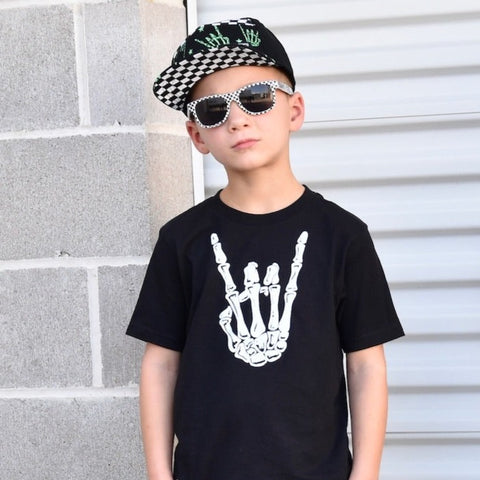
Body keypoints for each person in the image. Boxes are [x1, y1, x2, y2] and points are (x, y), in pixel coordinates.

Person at [126, 17, 404, 480]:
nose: (237, 119)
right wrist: (159, 474)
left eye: (256, 97)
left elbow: (366, 366)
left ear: (294, 110)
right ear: (198, 136)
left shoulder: (343, 236)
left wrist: (366, 474)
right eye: (213, 110)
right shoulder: (180, 240)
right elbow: (161, 365)